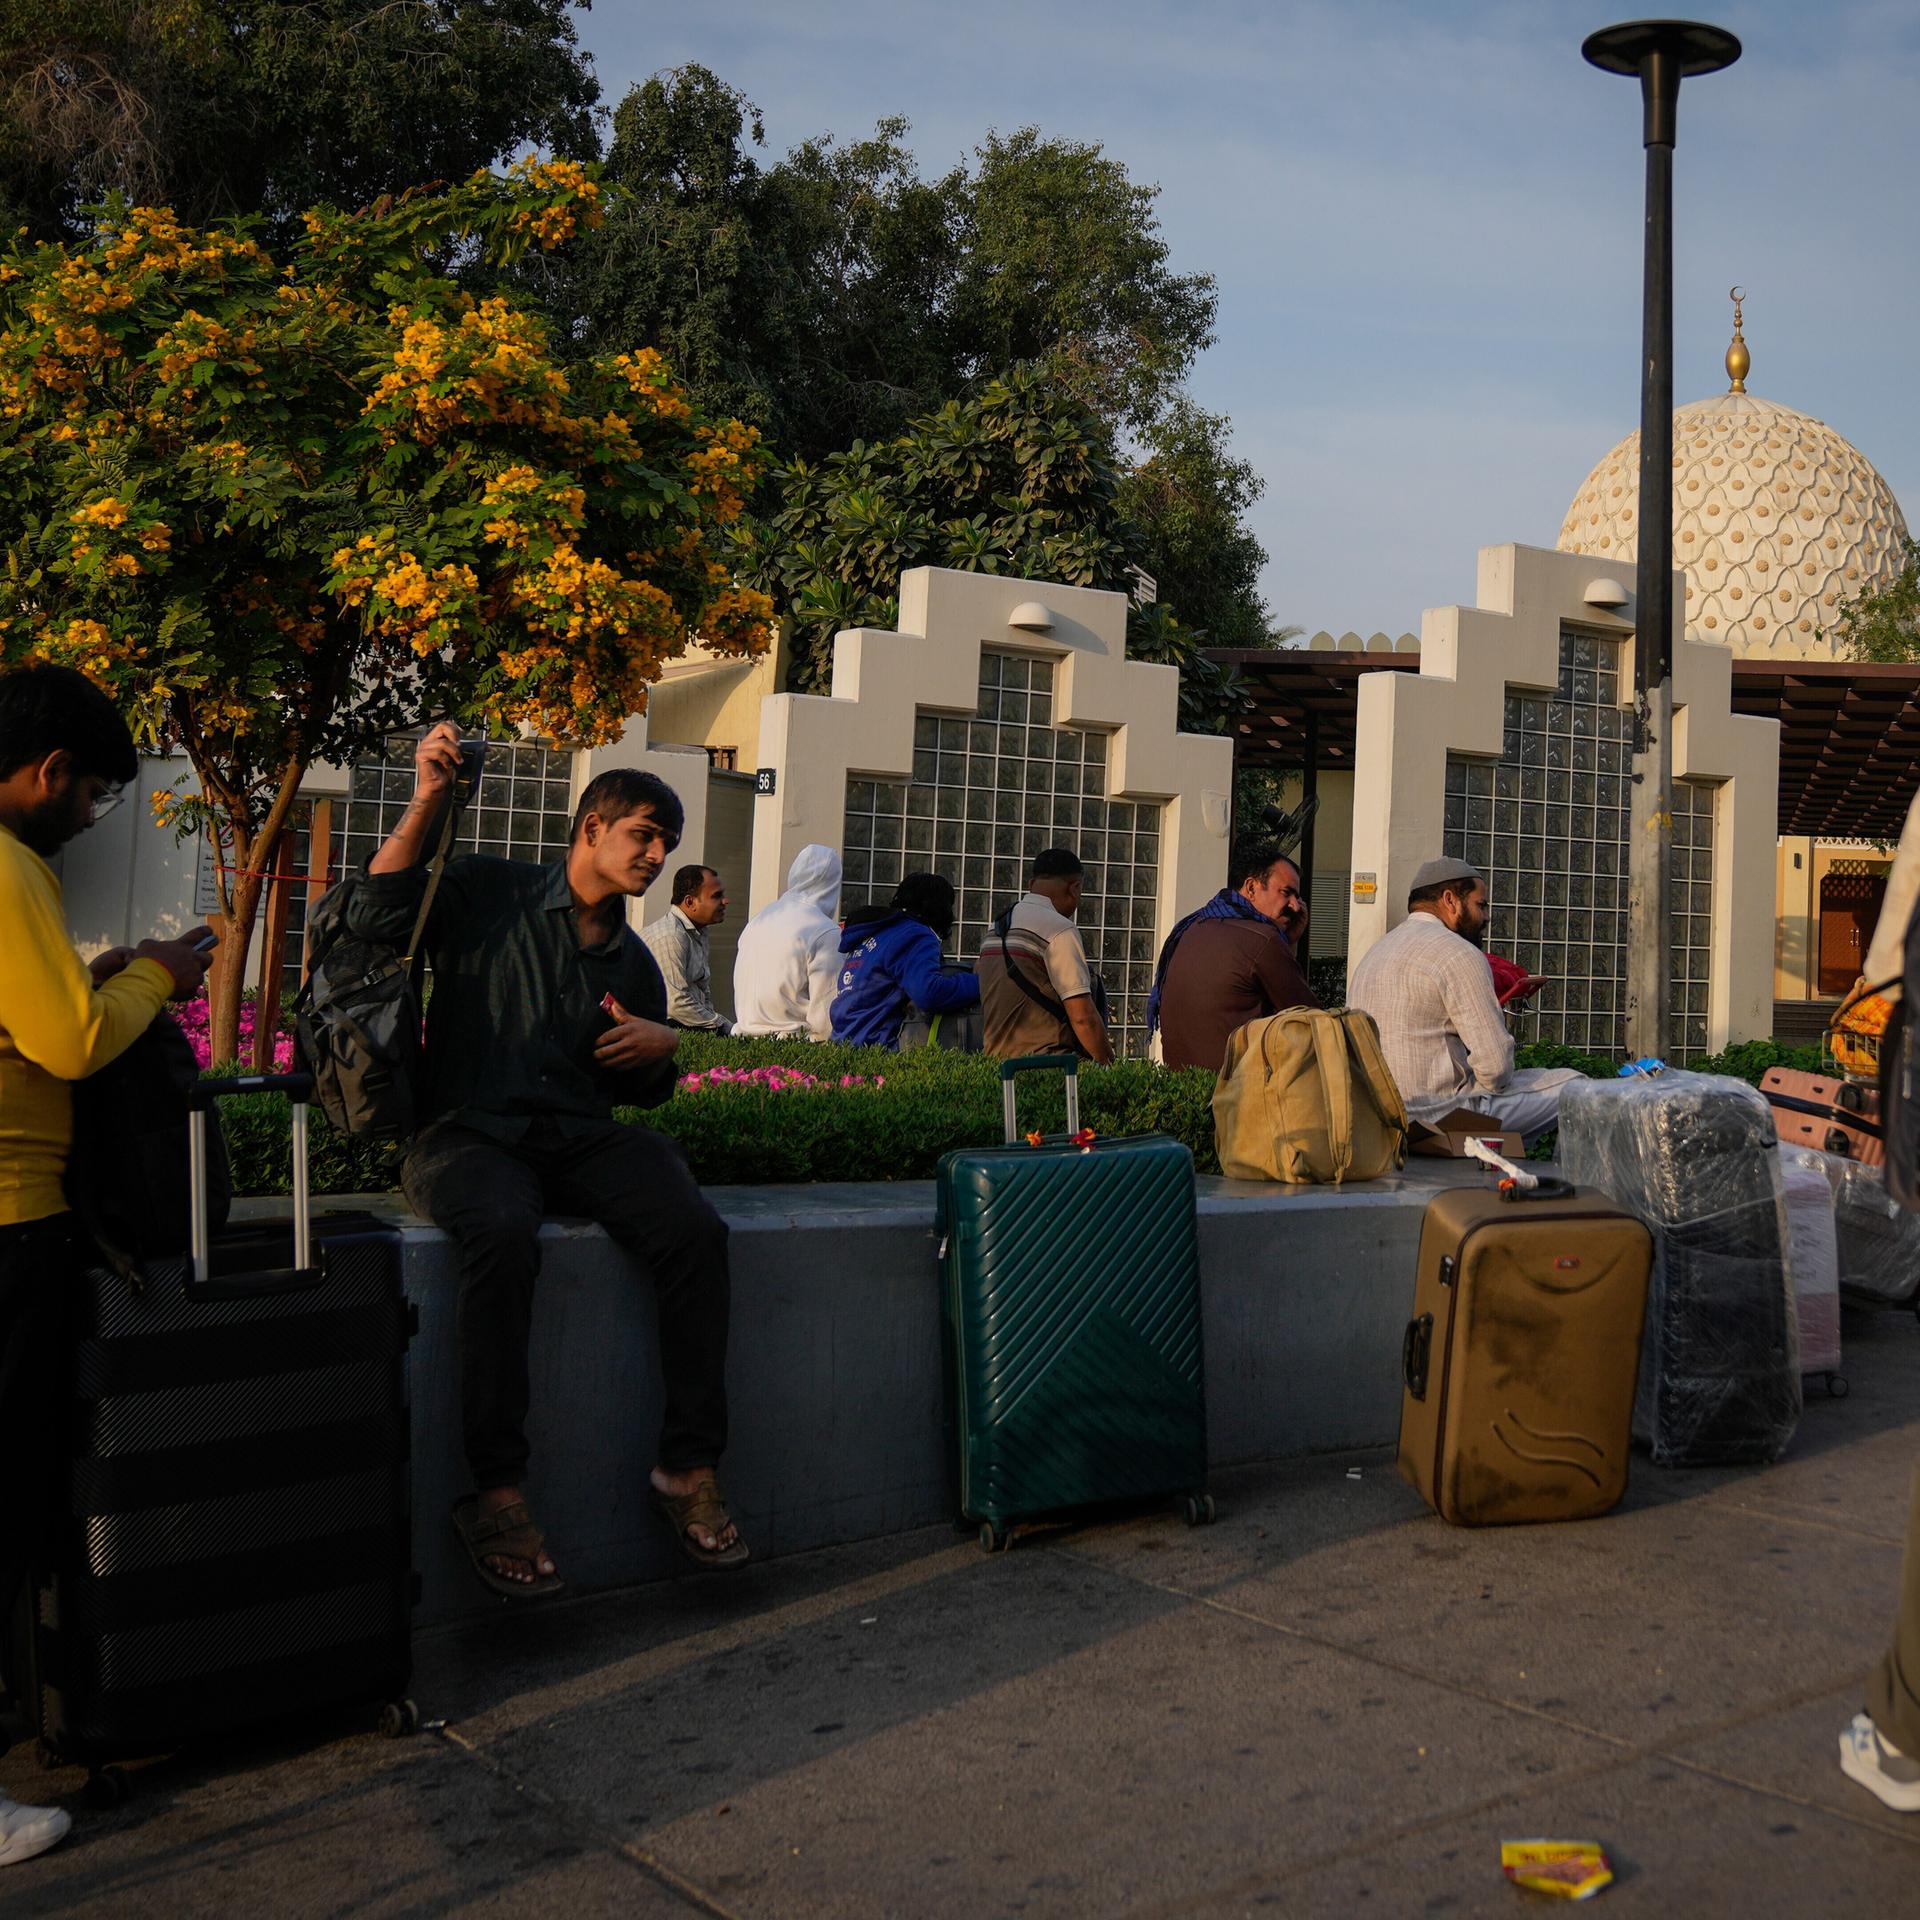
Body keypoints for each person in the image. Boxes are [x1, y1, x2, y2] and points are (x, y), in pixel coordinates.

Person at [338, 724, 744, 1599]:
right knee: (500, 1231)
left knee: (693, 1229)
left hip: (578, 1138)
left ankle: (686, 1467)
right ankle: (496, 1491)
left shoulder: (632, 963)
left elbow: (637, 1094)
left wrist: (662, 1046)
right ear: (591, 829)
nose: (655, 852)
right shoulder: (489, 890)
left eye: (665, 841)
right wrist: (428, 797)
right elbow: (375, 910)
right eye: (641, 833)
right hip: (466, 1135)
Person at [0, 665, 212, 1867]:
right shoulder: (10, 865)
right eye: (88, 800)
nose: (86, 822)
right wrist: (154, 978)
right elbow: (71, 1046)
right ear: (46, 775)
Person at [1348, 856, 1580, 1145]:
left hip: (1382, 1118)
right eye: (1480, 905)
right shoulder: (1458, 953)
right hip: (1441, 1115)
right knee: (1576, 1088)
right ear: (1451, 900)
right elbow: (1495, 1070)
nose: (1486, 917)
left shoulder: (1374, 953)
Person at [1152, 838, 1317, 1073]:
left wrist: (1288, 942)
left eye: (1297, 897)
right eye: (1286, 893)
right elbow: (1311, 1020)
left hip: (1181, 1090)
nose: (1296, 906)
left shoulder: (1192, 926)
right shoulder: (1263, 940)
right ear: (1251, 888)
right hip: (1235, 1097)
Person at [976, 847, 1113, 1063]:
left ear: (1031, 885)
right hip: (1047, 1067)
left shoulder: (996, 928)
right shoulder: (1058, 929)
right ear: (1075, 888)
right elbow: (1083, 1018)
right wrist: (1109, 1066)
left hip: (997, 1065)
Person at [831, 872, 979, 1049]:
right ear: (941, 909)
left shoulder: (877, 932)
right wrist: (983, 982)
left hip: (844, 1046)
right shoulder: (915, 934)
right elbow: (930, 993)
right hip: (877, 1049)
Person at [732, 844, 843, 1041]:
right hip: (794, 1049)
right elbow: (826, 1016)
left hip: (743, 1042)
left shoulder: (758, 921)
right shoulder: (824, 930)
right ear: (833, 883)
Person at [642, 864, 732, 1033]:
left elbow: (701, 992)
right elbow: (676, 1005)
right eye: (716, 896)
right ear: (690, 902)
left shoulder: (697, 932)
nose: (725, 901)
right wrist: (723, 1026)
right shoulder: (671, 936)